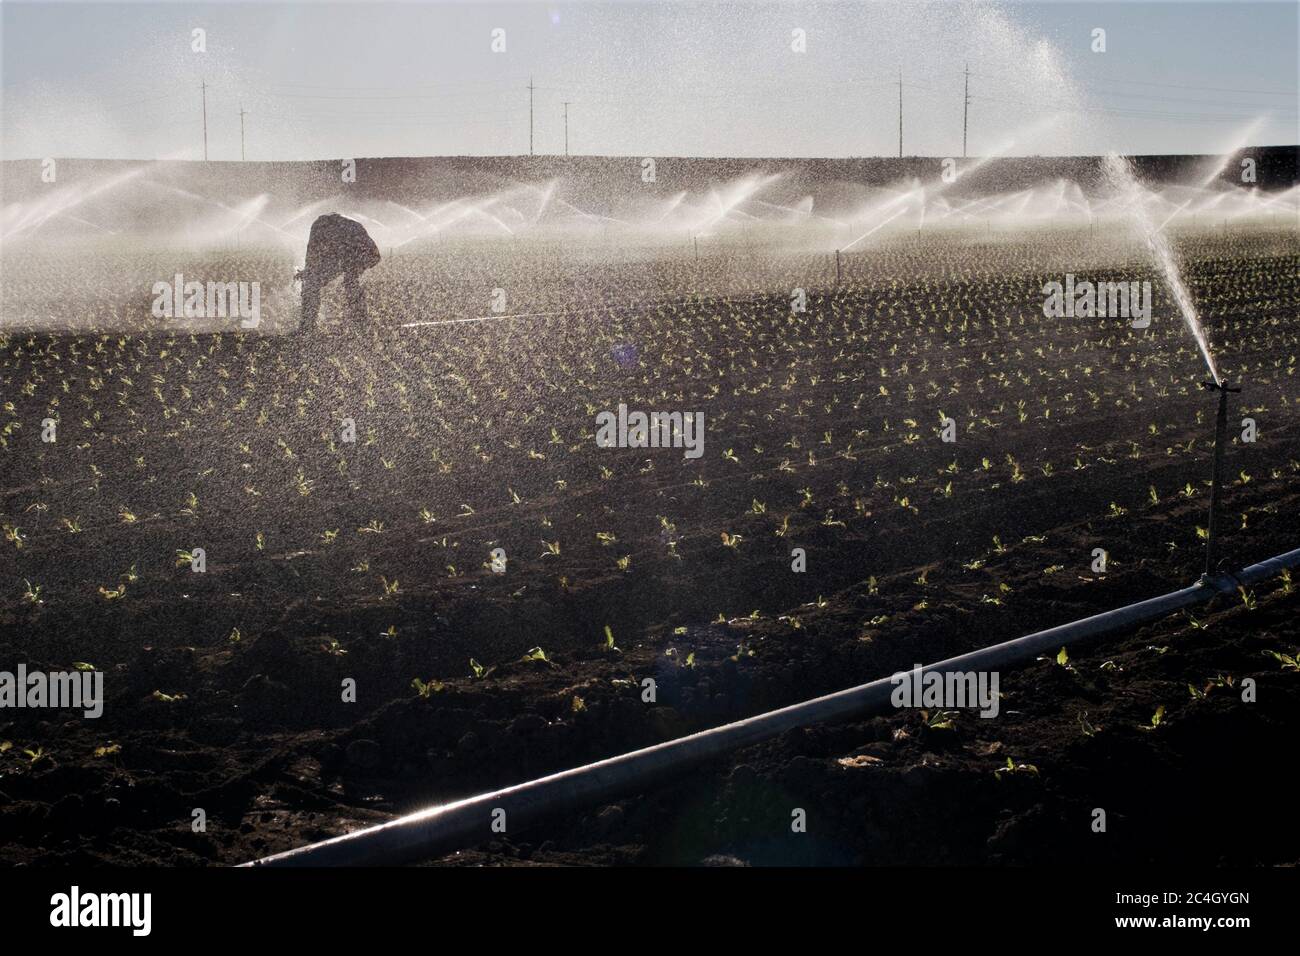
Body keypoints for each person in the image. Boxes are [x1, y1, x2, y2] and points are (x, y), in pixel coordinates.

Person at [296, 213, 381, 332]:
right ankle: (308, 325)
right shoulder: (349, 242)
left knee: (346, 283)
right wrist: (311, 271)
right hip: (336, 241)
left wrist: (311, 271)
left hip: (347, 242)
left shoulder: (357, 240)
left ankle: (359, 323)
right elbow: (317, 259)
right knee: (315, 280)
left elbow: (338, 265)